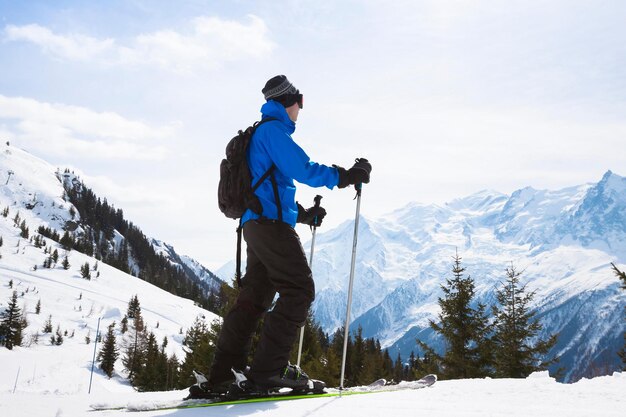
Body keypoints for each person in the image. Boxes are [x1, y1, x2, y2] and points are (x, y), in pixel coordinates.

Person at [205, 75, 372, 393]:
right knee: (299, 290)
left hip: (256, 225)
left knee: (254, 300)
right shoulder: (273, 131)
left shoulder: (260, 133)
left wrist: (304, 214)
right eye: (301, 101)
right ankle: (268, 371)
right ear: (288, 101)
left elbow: (268, 188)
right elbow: (303, 169)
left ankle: (224, 374)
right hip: (270, 227)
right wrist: (345, 176)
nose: (301, 109)